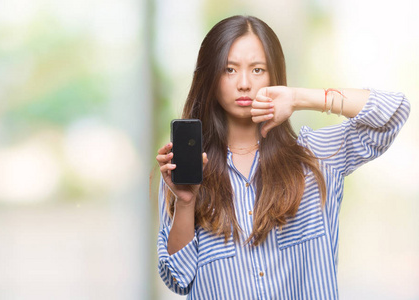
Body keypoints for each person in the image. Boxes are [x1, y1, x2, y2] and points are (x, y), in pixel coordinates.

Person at [155, 15, 410, 299]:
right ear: (211, 77)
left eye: (257, 69)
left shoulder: (316, 157)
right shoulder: (186, 170)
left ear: (275, 76)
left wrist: (300, 97)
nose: (243, 83)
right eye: (229, 69)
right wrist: (186, 203)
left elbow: (394, 112)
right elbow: (177, 278)